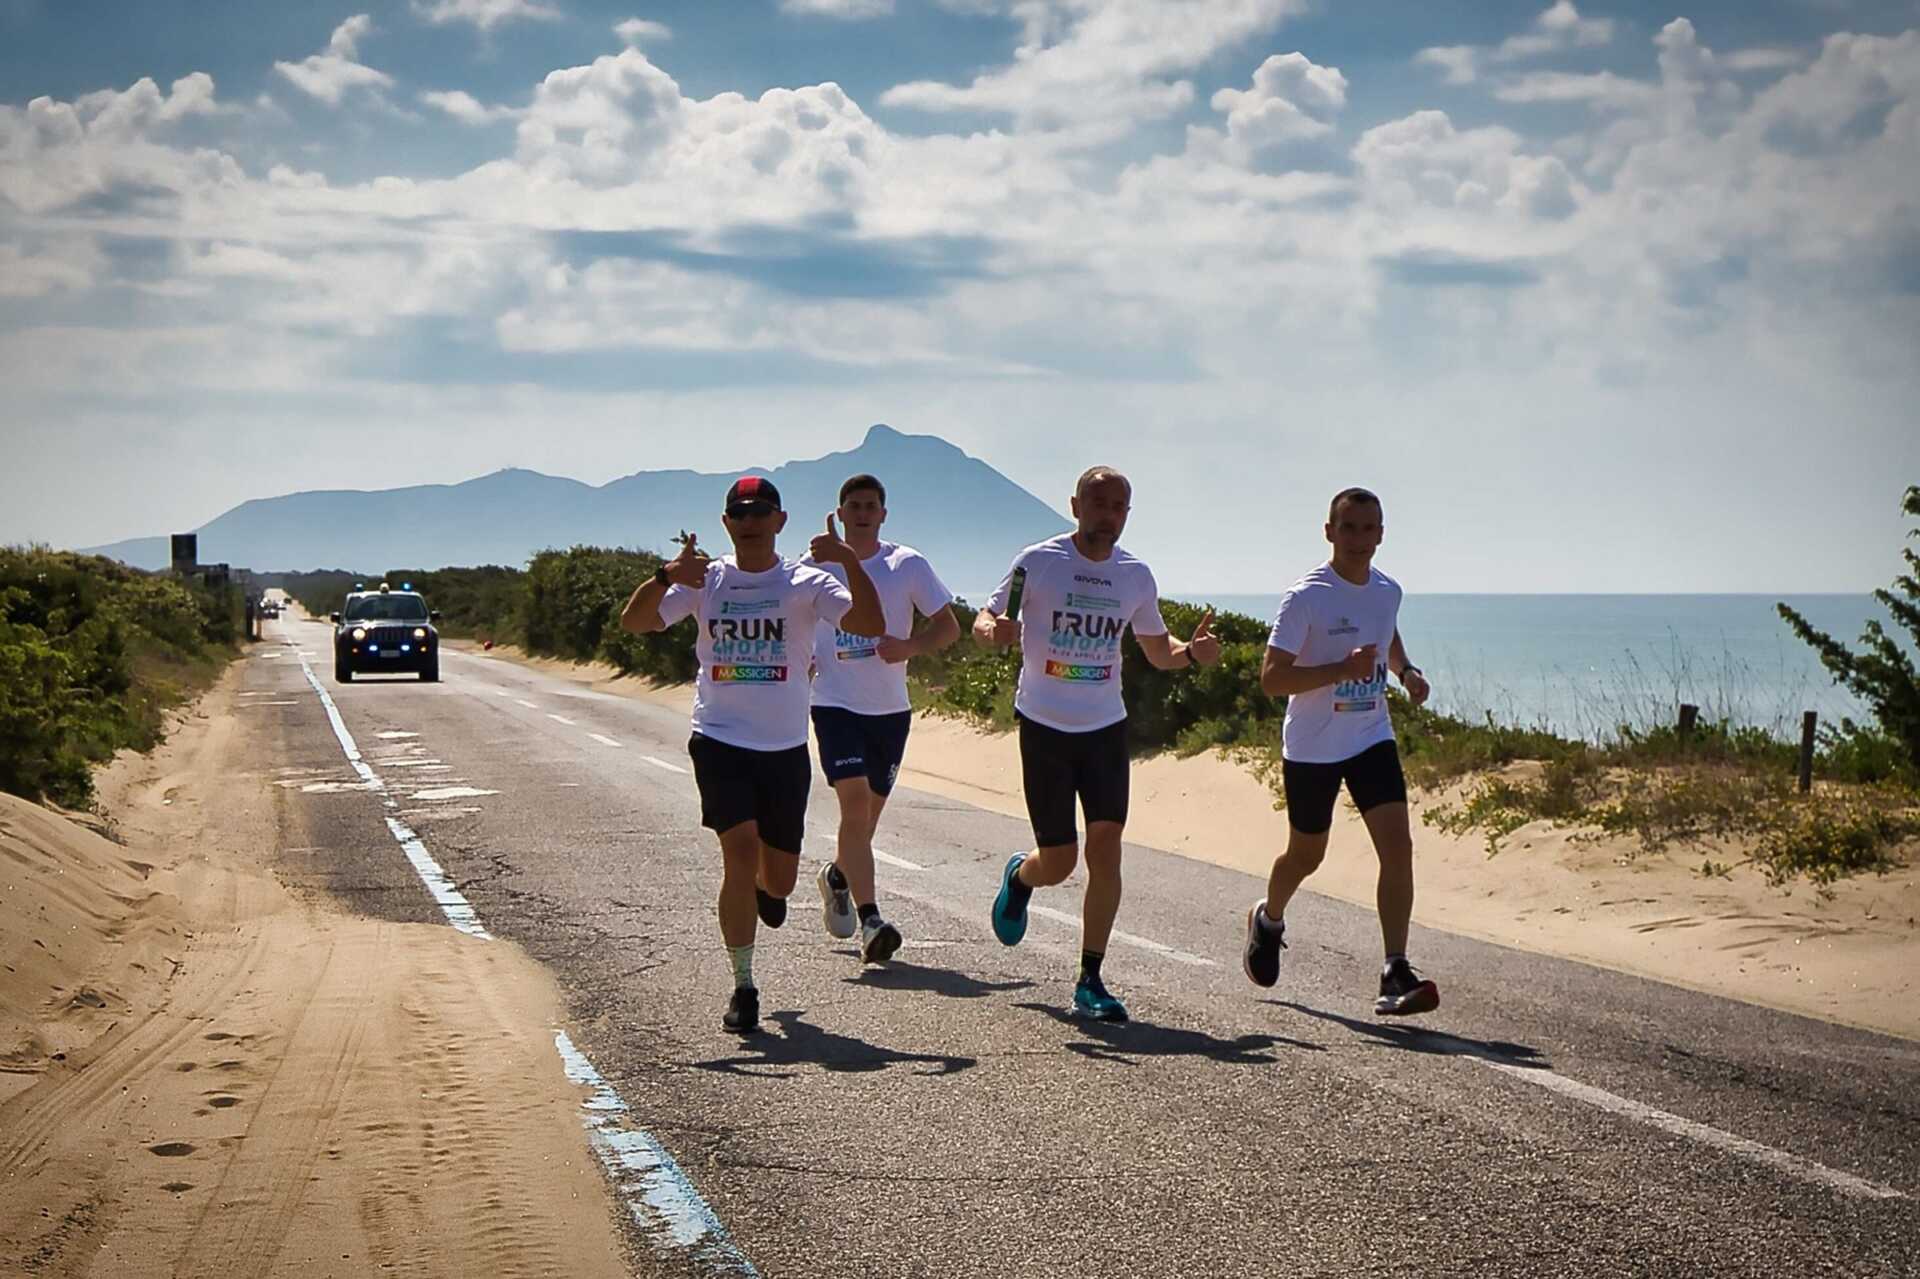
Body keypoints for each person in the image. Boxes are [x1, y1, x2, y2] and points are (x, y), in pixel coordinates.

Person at [619, 476, 885, 1033]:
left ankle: (768, 889)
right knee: (738, 853)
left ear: (779, 521)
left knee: (779, 881)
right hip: (719, 739)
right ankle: (743, 986)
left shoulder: (806, 581)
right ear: (726, 524)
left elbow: (870, 624)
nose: (750, 522)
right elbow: (635, 622)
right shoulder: (706, 580)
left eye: (761, 511)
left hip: (783, 749)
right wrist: (666, 575)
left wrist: (846, 561)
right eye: (740, 513)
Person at [974, 466, 1221, 1022]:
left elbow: (1158, 650)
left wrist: (1191, 653)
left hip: (1106, 728)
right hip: (1044, 726)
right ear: (1076, 505)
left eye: (1117, 506)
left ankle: (1090, 979)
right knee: (1059, 861)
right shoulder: (1039, 561)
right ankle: (1021, 876)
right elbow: (988, 616)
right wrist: (991, 631)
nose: (1107, 515)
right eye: (1098, 502)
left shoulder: (1135, 576)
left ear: (1127, 514)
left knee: (1106, 847)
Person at [1241, 487, 1439, 1016]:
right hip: (1313, 746)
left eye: (1368, 528)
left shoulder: (1387, 590)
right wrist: (1339, 670)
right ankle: (1268, 918)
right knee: (1307, 855)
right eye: (1348, 528)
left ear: (1382, 534)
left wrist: (1406, 672)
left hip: (1371, 735)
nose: (1358, 539)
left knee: (1397, 847)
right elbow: (1271, 679)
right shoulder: (1307, 597)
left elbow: (1385, 634)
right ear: (1329, 531)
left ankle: (1395, 968)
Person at [804, 473, 962, 964]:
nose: (862, 513)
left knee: (865, 824)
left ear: (883, 514)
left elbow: (948, 627)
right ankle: (871, 920)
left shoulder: (906, 564)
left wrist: (910, 646)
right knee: (853, 809)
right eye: (854, 505)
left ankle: (837, 877)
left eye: (870, 506)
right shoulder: (814, 566)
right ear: (840, 512)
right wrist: (803, 658)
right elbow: (792, 622)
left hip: (890, 712)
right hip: (834, 704)